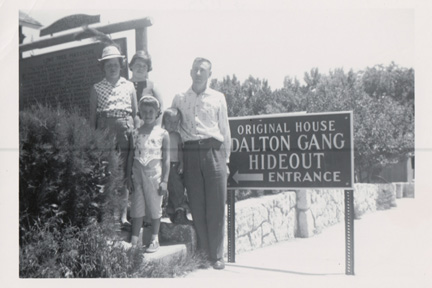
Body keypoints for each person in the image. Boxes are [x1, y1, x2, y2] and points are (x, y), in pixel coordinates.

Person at [171, 57, 231, 270]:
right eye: (195, 69)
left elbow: (225, 130)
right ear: (190, 72)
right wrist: (176, 160)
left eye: (202, 70)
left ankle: (216, 256)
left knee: (216, 204)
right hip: (190, 153)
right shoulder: (179, 98)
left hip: (213, 152)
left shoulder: (218, 98)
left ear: (209, 74)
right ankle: (204, 254)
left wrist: (227, 159)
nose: (198, 73)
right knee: (197, 205)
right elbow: (173, 132)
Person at [89, 45, 139, 229]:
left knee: (125, 171)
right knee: (107, 171)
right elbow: (92, 117)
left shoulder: (129, 86)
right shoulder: (96, 88)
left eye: (115, 64)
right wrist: (94, 140)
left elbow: (134, 113)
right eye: (108, 64)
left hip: (125, 130)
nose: (112, 68)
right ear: (103, 67)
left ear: (121, 65)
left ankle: (124, 217)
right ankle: (109, 216)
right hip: (104, 130)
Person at [127, 96, 170, 253]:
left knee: (154, 206)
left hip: (154, 175)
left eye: (151, 111)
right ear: (140, 113)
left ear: (157, 112)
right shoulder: (135, 133)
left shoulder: (163, 134)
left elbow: (166, 160)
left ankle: (154, 239)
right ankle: (134, 241)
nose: (148, 114)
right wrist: (128, 177)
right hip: (137, 174)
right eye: (144, 111)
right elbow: (130, 156)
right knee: (137, 206)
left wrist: (164, 181)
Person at [161, 108, 191, 225]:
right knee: (171, 189)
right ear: (164, 121)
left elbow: (180, 151)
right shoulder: (162, 134)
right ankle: (173, 210)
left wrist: (182, 163)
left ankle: (178, 211)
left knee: (178, 188)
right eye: (170, 122)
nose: (172, 125)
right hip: (165, 165)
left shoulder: (177, 136)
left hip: (175, 165)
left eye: (175, 123)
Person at [128, 50, 163, 125]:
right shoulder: (124, 85)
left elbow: (160, 110)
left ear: (148, 69)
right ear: (131, 66)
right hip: (128, 128)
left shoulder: (153, 86)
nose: (141, 68)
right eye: (138, 65)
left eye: (144, 66)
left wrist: (156, 130)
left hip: (147, 130)